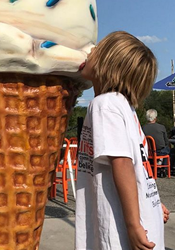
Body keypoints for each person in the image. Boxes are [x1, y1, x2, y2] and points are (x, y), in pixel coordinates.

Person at [76, 31, 169, 250]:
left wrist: (132, 224)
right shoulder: (125, 107)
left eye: (97, 49)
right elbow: (140, 166)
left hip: (122, 230)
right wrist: (151, 203)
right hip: (145, 218)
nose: (90, 51)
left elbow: (123, 162)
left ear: (108, 65)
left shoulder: (104, 104)